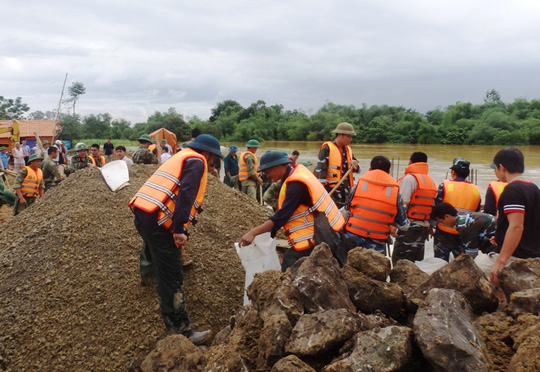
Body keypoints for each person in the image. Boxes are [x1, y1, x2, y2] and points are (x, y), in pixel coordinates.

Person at [128, 134, 223, 344]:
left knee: (152, 243)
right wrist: (179, 230)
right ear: (207, 153)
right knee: (171, 276)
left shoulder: (180, 156)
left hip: (143, 212)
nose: (214, 161)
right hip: (158, 220)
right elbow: (186, 195)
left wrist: (179, 231)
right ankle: (180, 330)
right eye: (214, 157)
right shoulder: (197, 161)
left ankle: (147, 273)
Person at [239, 151, 346, 271]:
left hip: (322, 234)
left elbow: (280, 218)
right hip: (328, 228)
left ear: (278, 166)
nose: (267, 175)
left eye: (267, 171)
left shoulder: (295, 184)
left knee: (290, 264)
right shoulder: (298, 172)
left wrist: (253, 232)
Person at [473, 148, 540, 285]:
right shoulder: (533, 188)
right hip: (534, 252)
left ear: (501, 167)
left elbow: (516, 226)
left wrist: (500, 261)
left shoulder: (512, 190)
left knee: (474, 268)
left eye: (495, 168)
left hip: (517, 256)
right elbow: (528, 223)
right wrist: (500, 236)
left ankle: (498, 299)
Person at [342, 155, 409, 255]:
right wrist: (390, 221)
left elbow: (347, 210)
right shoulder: (396, 194)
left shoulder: (357, 187)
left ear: (370, 170)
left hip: (352, 241)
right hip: (377, 246)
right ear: (389, 173)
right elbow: (404, 226)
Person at [392, 152, 437, 264]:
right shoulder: (430, 181)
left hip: (409, 227)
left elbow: (402, 205)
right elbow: (432, 206)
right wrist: (431, 225)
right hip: (423, 227)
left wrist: (393, 225)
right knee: (416, 263)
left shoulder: (409, 179)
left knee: (400, 263)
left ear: (410, 163)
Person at [433, 157, 481, 262]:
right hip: (463, 233)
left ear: (453, 172)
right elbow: (477, 213)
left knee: (439, 263)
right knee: (462, 264)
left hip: (443, 232)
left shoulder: (445, 185)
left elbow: (436, 208)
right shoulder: (475, 189)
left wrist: (431, 224)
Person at [314, 122, 360, 208]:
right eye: (348, 136)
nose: (350, 139)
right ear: (340, 135)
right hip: (332, 192)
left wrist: (355, 164)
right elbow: (320, 174)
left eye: (351, 137)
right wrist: (323, 194)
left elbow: (356, 168)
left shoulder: (347, 150)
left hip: (346, 193)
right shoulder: (327, 148)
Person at [431, 202, 496, 258]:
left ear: (447, 216)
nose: (443, 224)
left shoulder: (463, 226)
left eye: (442, 222)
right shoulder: (463, 217)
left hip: (497, 240)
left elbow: (471, 254)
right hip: (496, 235)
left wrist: (455, 263)